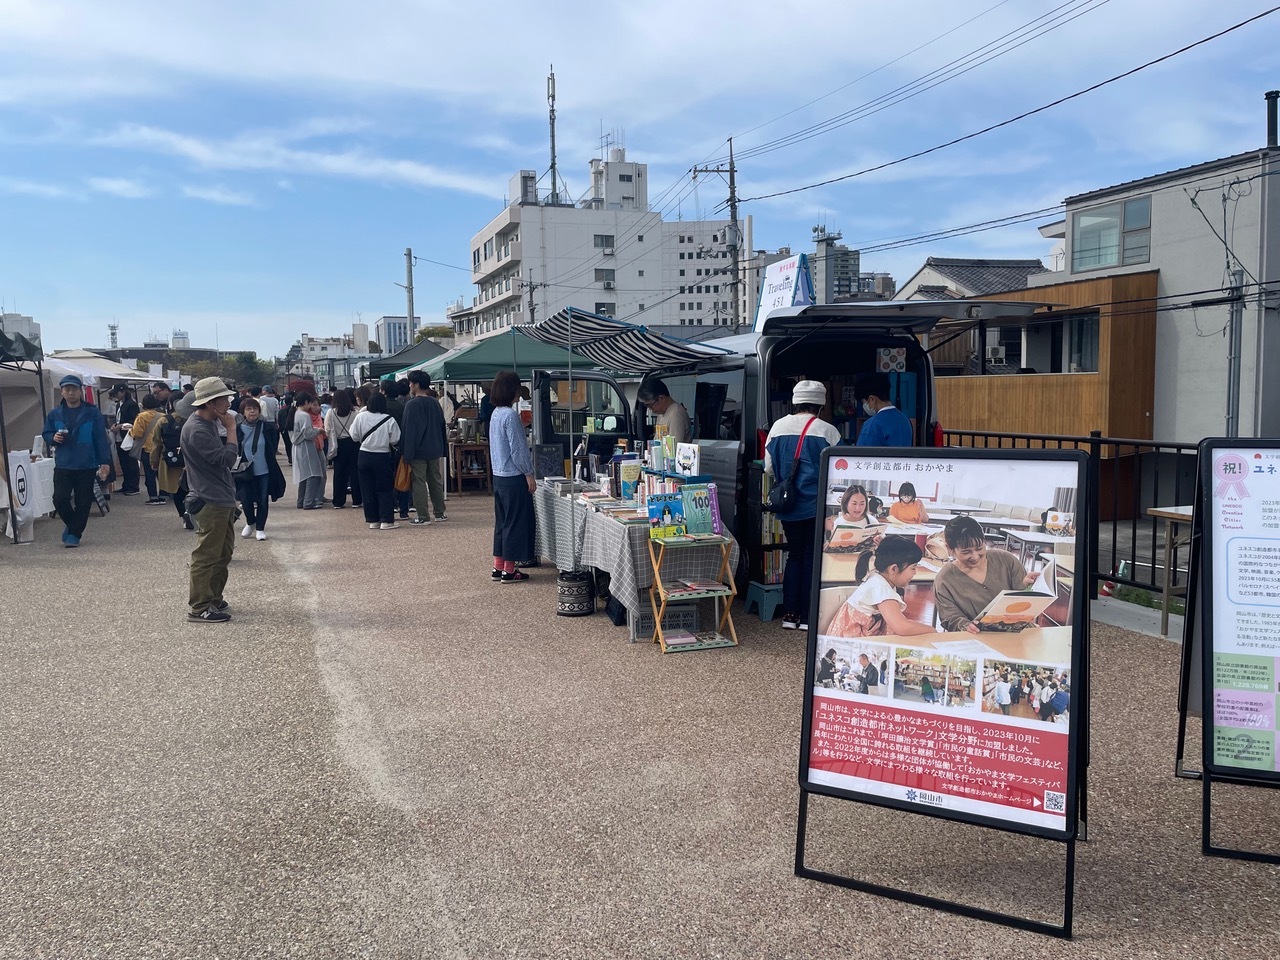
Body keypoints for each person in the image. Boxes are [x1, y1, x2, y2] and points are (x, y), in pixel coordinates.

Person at [764, 380, 841, 630]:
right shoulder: (827, 431)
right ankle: (808, 617)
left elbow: (768, 468)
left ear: (794, 402)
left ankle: (790, 615)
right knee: (811, 557)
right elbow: (836, 472)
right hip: (817, 504)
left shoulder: (777, 427)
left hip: (789, 504)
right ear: (820, 405)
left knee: (794, 556)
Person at [181, 377, 241, 623]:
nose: (228, 403)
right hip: (210, 498)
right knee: (207, 555)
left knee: (222, 552)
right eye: (224, 399)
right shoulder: (197, 429)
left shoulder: (203, 424)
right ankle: (199, 606)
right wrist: (231, 430)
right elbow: (226, 458)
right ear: (211, 403)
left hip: (219, 497)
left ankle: (213, 597)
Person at [40, 374, 112, 547]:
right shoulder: (55, 413)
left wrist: (105, 461)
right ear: (62, 392)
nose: (70, 392)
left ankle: (74, 535)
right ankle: (73, 526)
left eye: (74, 389)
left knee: (83, 502)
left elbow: (100, 438)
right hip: (64, 463)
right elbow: (46, 432)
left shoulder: (92, 412)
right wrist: (52, 437)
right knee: (59, 499)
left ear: (80, 391)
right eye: (67, 389)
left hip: (86, 463)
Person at [934, 516, 1038, 633]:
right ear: (950, 549)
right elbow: (949, 617)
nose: (975, 556)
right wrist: (964, 625)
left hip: (1018, 633)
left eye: (979, 548)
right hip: (977, 637)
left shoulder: (1005, 559)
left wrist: (1028, 587)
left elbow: (1023, 602)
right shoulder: (945, 579)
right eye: (966, 552)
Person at [826, 536, 936, 638]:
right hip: (849, 642)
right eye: (913, 568)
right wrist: (932, 630)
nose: (915, 573)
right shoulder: (881, 589)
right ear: (893, 569)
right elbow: (901, 627)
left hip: (860, 634)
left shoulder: (879, 577)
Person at [488, 370, 536, 583]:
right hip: (513, 475)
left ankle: (498, 566)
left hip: (499, 475)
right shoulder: (510, 415)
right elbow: (518, 449)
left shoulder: (496, 413)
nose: (519, 393)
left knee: (502, 522)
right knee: (515, 523)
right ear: (512, 390)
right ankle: (510, 569)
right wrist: (529, 473)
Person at [401, 370, 448, 524]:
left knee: (419, 481)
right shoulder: (435, 403)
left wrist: (407, 453)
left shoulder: (411, 405)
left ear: (417, 384)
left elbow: (409, 431)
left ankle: (423, 515)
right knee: (435, 480)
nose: (409, 385)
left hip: (418, 450)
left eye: (411, 383)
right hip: (435, 448)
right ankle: (440, 513)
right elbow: (442, 426)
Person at [351, 392, 401, 530]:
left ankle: (373, 520)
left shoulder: (360, 417)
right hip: (382, 456)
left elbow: (354, 436)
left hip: (364, 455)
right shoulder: (388, 419)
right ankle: (386, 520)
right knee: (384, 488)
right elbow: (395, 439)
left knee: (367, 489)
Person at [235, 397, 283, 541]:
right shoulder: (237, 429)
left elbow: (272, 447)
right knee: (245, 500)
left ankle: (260, 528)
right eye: (248, 409)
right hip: (244, 471)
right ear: (243, 412)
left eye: (255, 408)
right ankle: (251, 522)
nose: (252, 411)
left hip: (264, 470)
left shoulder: (267, 428)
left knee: (263, 500)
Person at [323, 389, 361, 510]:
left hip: (338, 444)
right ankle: (357, 500)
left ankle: (338, 501)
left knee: (339, 473)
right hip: (354, 443)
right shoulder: (355, 412)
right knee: (355, 472)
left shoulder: (331, 413)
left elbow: (327, 429)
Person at [290, 391, 326, 509]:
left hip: (298, 446)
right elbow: (308, 434)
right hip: (305, 446)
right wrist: (318, 431)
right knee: (312, 474)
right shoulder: (304, 415)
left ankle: (301, 501)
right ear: (306, 402)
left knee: (304, 475)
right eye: (310, 403)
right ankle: (308, 502)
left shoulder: (296, 413)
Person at [855, 373, 912, 447]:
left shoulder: (872, 425)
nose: (864, 406)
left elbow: (861, 456)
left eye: (863, 402)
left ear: (872, 399)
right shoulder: (905, 420)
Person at [130, 393, 167, 504]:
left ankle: (153, 497)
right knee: (161, 473)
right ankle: (164, 495)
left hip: (147, 449)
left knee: (149, 474)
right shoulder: (163, 416)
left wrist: (130, 431)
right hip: (161, 448)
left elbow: (138, 434)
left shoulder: (141, 417)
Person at [109, 385, 141, 496]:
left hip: (128, 435)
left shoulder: (131, 404)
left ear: (123, 392)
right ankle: (126, 485)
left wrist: (121, 425)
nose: (115, 396)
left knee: (130, 462)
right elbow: (119, 419)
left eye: (117, 393)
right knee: (123, 462)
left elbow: (134, 421)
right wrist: (115, 425)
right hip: (120, 436)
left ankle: (133, 486)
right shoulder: (119, 405)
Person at [637, 378, 690, 443]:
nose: (650, 409)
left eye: (650, 405)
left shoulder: (676, 414)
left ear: (661, 398)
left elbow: (674, 448)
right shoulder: (661, 413)